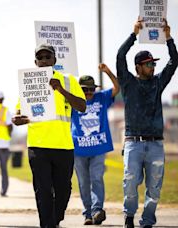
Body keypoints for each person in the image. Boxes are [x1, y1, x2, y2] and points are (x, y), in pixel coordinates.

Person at [12, 44, 86, 228]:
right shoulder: (28, 82)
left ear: (54, 60)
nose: (44, 60)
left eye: (47, 57)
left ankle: (55, 219)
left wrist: (60, 89)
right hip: (38, 146)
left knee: (64, 190)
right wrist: (17, 119)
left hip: (63, 146)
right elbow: (20, 113)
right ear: (35, 62)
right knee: (43, 190)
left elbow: (82, 106)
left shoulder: (68, 80)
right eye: (40, 57)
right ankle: (48, 225)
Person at [116, 18, 177, 228]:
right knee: (130, 182)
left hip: (156, 145)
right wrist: (133, 35)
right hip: (133, 142)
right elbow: (120, 56)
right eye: (148, 64)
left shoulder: (158, 83)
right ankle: (129, 216)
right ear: (138, 67)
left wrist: (168, 38)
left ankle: (148, 221)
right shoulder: (128, 83)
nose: (152, 67)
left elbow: (174, 62)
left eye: (153, 64)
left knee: (155, 187)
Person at [71, 63, 119, 225]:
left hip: (99, 147)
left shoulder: (102, 97)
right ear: (79, 90)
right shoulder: (73, 101)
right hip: (78, 149)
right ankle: (88, 213)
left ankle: (97, 210)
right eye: (85, 89)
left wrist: (108, 72)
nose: (89, 92)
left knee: (96, 178)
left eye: (91, 89)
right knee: (84, 182)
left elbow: (117, 88)